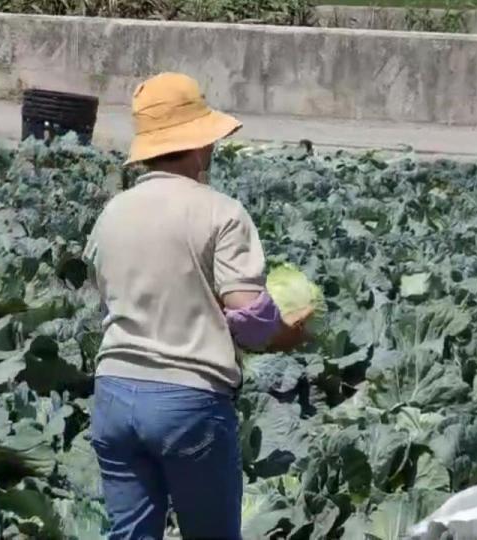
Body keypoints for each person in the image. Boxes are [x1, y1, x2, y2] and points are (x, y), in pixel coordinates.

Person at [83, 72, 313, 540]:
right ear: (200, 144)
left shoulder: (113, 213)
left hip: (114, 393)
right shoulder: (219, 212)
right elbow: (249, 321)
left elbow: (104, 299)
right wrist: (289, 332)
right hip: (188, 402)